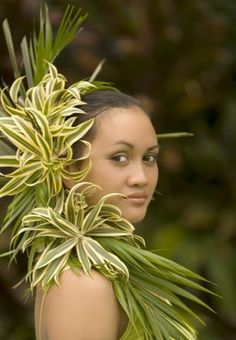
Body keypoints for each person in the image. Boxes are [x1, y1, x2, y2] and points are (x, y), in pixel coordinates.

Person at [34, 89, 160, 340]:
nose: (141, 178)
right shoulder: (84, 284)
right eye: (120, 157)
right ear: (70, 168)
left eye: (149, 158)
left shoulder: (103, 268)